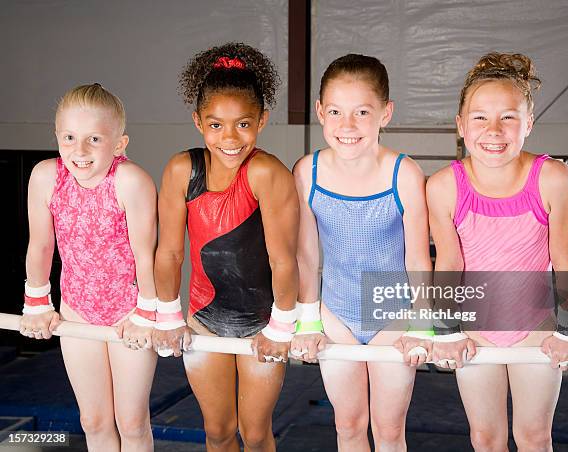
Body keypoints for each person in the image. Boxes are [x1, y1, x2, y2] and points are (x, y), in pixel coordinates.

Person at [427, 52, 568, 451]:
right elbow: (449, 262)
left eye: (509, 117)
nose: (493, 130)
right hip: (476, 329)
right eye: (480, 117)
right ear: (461, 125)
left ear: (529, 123)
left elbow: (566, 260)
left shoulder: (555, 179)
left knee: (534, 437)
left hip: (536, 329)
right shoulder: (445, 186)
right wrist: (447, 331)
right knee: (485, 438)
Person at [153, 42, 299, 452]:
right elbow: (169, 252)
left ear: (262, 120)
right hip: (204, 316)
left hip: (261, 322)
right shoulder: (182, 169)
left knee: (254, 434)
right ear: (198, 121)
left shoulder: (267, 172)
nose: (230, 138)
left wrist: (281, 326)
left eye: (243, 124)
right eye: (216, 125)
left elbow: (283, 258)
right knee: (217, 432)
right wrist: (168, 317)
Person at [292, 54, 432, 451]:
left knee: (389, 430)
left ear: (386, 114)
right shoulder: (307, 172)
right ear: (320, 111)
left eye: (362, 112)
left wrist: (421, 323)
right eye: (335, 111)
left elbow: (418, 259)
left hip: (393, 313)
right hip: (337, 314)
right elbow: (307, 255)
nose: (347, 126)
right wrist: (308, 320)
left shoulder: (403, 173)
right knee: (349, 425)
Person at [21, 83, 158, 451]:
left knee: (131, 422)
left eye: (94, 139)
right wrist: (36, 302)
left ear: (119, 144)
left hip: (129, 311)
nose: (79, 151)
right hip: (77, 309)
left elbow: (147, 255)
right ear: (57, 136)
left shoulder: (131, 181)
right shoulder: (46, 176)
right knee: (93, 420)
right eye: (69, 137)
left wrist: (146, 312)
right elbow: (41, 244)